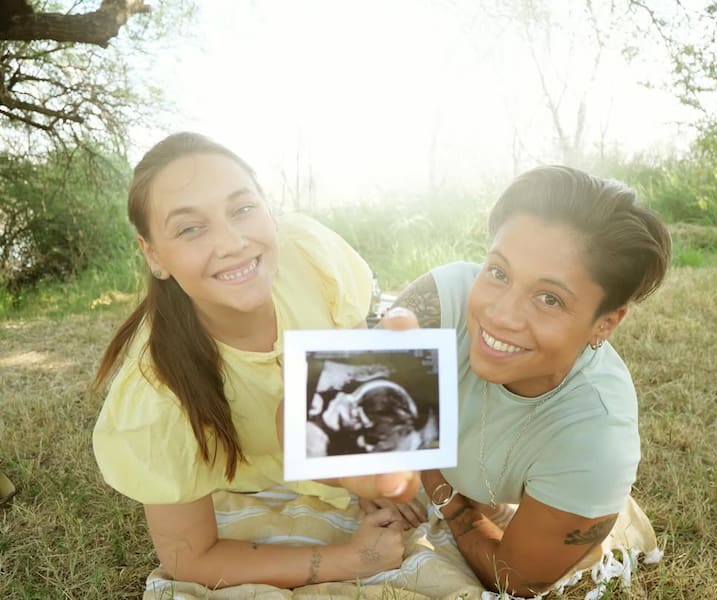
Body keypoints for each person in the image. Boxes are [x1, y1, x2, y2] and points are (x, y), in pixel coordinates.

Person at [91, 132, 419, 590]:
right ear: (154, 255)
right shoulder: (157, 392)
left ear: (267, 207)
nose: (232, 243)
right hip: (255, 473)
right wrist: (347, 560)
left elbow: (353, 377)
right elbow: (189, 558)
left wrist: (356, 479)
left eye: (242, 208)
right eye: (190, 227)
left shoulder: (307, 254)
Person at [365, 165, 671, 597]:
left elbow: (518, 577)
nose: (501, 315)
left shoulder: (597, 437)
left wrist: (446, 497)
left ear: (605, 323)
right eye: (498, 273)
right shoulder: (443, 301)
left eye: (549, 298)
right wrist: (358, 465)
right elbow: (334, 423)